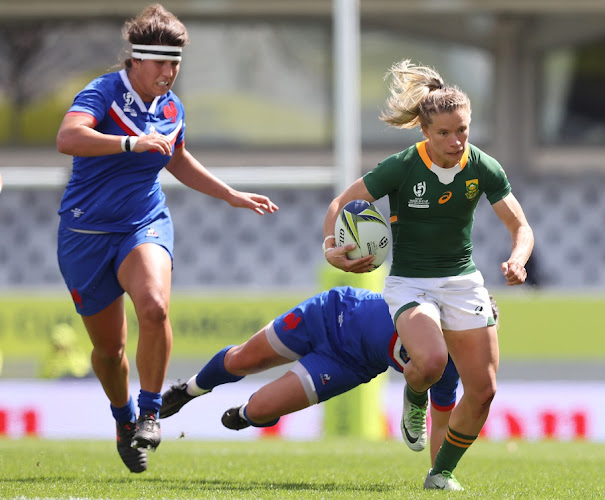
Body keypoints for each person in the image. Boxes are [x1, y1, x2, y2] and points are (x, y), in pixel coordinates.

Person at [55, 4, 278, 474]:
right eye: (161, 62)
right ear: (134, 60)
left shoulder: (172, 106)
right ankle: (123, 421)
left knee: (154, 307)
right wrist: (127, 143)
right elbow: (68, 137)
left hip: (143, 223)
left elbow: (175, 157)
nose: (169, 72)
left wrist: (230, 194)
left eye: (175, 63)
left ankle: (151, 411)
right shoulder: (103, 92)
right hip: (85, 235)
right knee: (109, 351)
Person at [322, 60, 534, 491]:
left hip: (463, 282)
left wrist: (518, 258)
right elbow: (341, 202)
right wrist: (331, 248)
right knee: (433, 362)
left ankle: (442, 473)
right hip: (410, 284)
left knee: (484, 390)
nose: (456, 141)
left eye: (463, 131)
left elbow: (521, 227)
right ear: (424, 132)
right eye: (444, 133)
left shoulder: (483, 167)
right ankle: (414, 396)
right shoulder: (401, 166)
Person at [160, 286, 497, 470]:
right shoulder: (427, 306)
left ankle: (247, 415)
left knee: (260, 409)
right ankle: (188, 390)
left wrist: (438, 475)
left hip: (347, 365)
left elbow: (439, 425)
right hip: (329, 311)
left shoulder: (448, 368)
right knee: (242, 359)